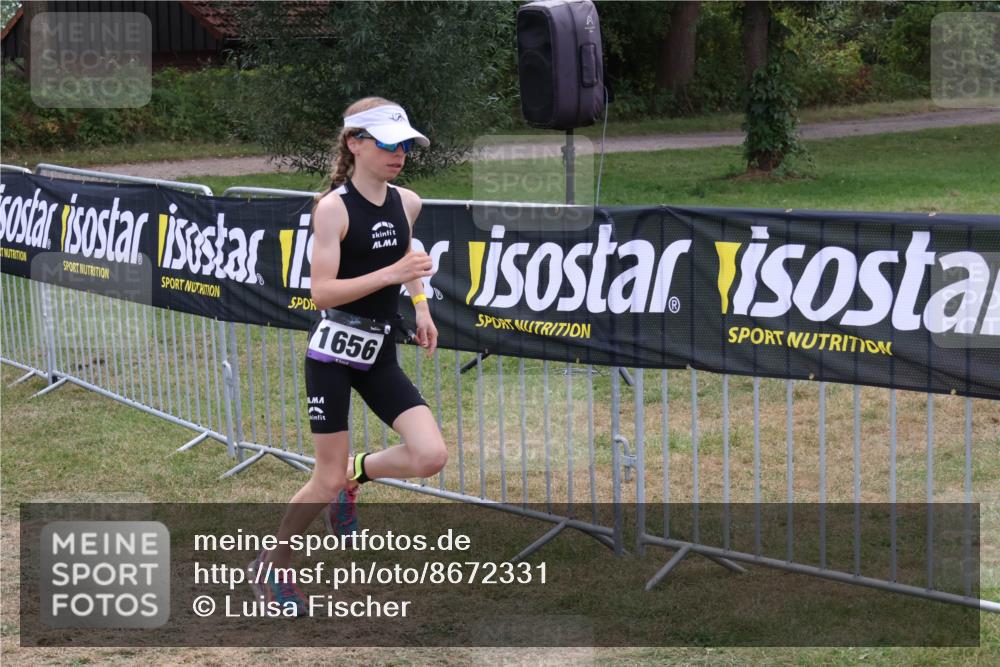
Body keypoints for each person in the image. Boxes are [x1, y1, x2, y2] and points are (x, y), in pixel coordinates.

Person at [249, 97, 448, 613]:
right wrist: (391, 278)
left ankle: (357, 474)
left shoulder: (409, 202)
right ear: (355, 144)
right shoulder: (333, 208)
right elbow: (321, 293)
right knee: (324, 476)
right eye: (386, 143)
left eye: (404, 144)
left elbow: (408, 255)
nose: (398, 153)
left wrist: (421, 308)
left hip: (380, 350)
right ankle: (274, 564)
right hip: (333, 355)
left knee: (430, 456)